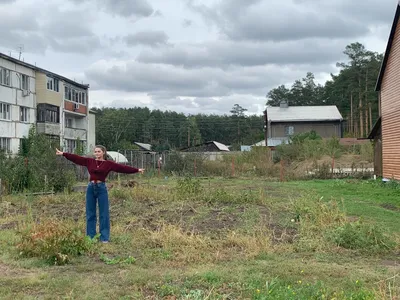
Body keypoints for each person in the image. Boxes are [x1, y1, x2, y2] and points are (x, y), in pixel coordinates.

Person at [56, 145, 144, 243]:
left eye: (99, 151)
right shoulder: (90, 161)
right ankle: (91, 237)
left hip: (101, 188)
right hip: (90, 188)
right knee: (90, 213)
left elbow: (122, 168)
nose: (97, 153)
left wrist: (137, 170)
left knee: (104, 214)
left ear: (103, 153)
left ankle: (104, 238)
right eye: (95, 152)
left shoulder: (108, 164)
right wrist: (64, 154)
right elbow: (77, 159)